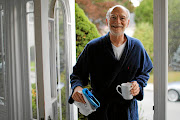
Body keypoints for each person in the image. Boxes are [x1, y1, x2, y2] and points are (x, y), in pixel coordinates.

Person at [68, 5, 153, 120]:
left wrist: (138, 84)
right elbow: (77, 73)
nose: (117, 21)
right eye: (113, 17)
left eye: (122, 18)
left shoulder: (137, 47)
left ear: (127, 22)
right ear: (107, 21)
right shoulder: (93, 47)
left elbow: (144, 71)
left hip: (127, 112)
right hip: (100, 111)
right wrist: (77, 87)